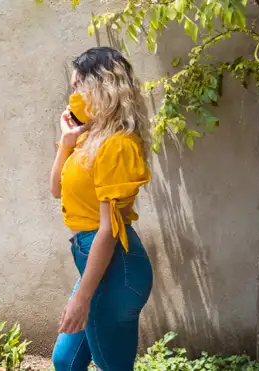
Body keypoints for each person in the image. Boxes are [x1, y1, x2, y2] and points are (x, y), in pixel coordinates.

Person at [48, 47, 155, 371]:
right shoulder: (89, 139)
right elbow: (57, 189)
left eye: (77, 86)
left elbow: (108, 230)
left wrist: (82, 299)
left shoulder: (118, 144)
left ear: (101, 87)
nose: (73, 95)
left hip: (115, 266)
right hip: (98, 264)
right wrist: (66, 143)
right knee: (66, 361)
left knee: (113, 365)